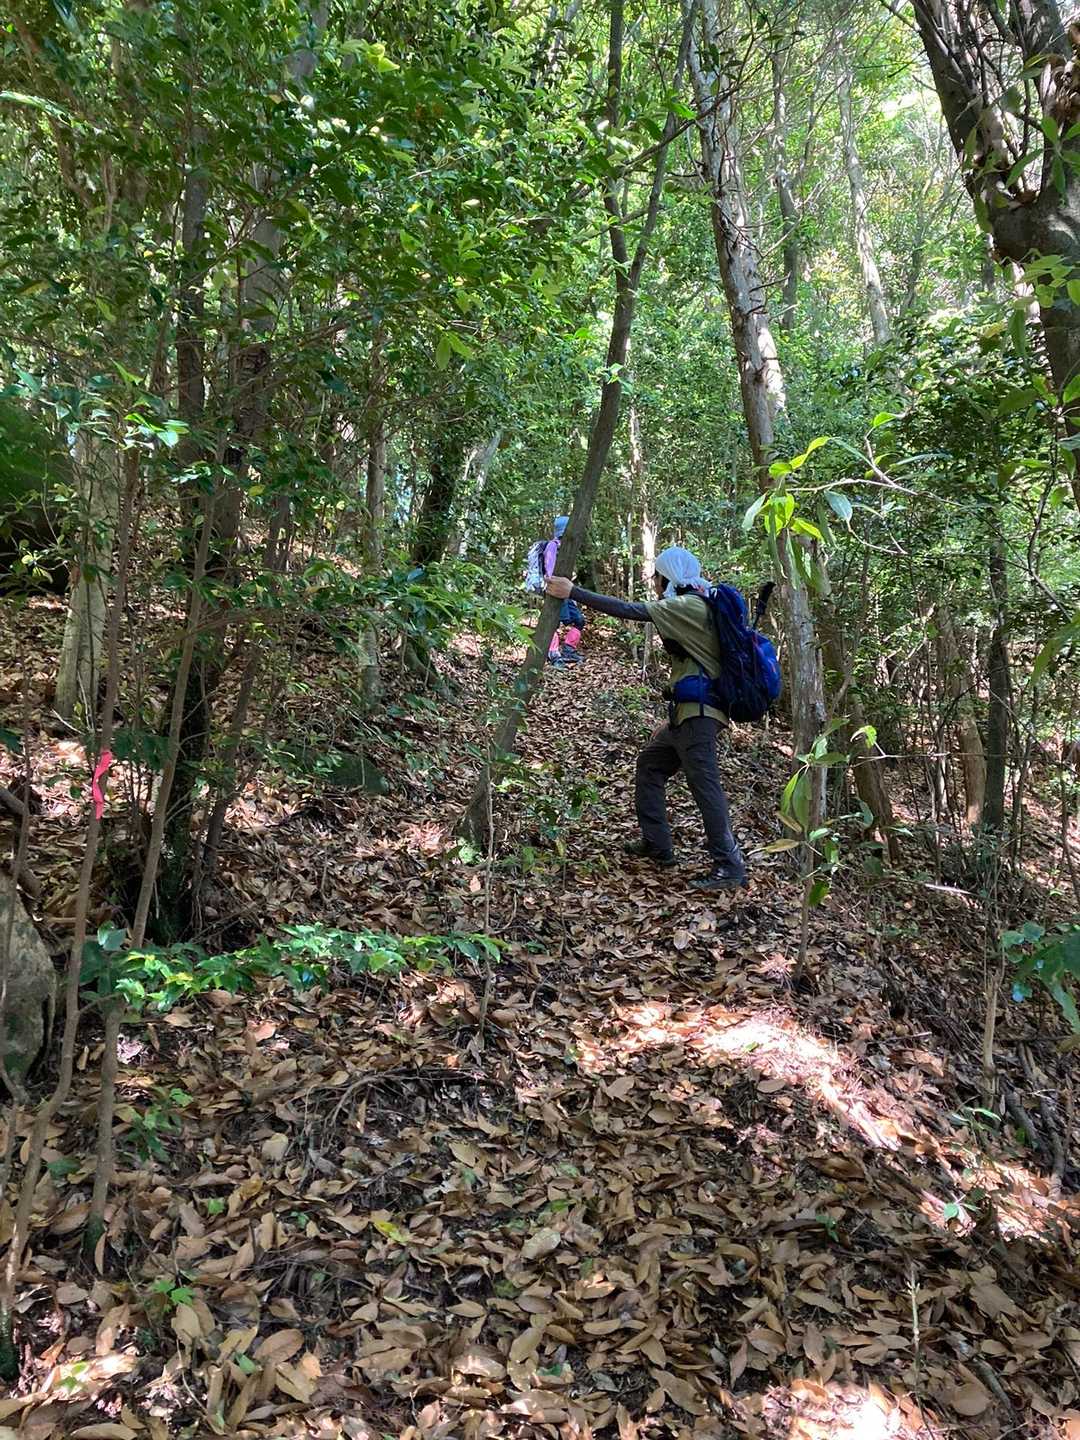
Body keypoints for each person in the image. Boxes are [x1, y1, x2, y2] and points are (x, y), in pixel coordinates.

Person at [545, 545, 747, 891]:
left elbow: (630, 611)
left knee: (706, 787)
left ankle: (729, 866)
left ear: (668, 577)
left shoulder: (688, 606)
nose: (654, 582)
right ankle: (657, 845)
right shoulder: (698, 602)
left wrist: (573, 592)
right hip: (688, 712)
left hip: (699, 715)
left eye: (657, 576)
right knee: (651, 765)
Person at [543, 515, 585, 666]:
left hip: (566, 590)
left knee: (579, 620)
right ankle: (553, 654)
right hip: (554, 589)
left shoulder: (567, 547)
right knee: (554, 622)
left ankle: (569, 650)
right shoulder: (553, 546)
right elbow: (549, 571)